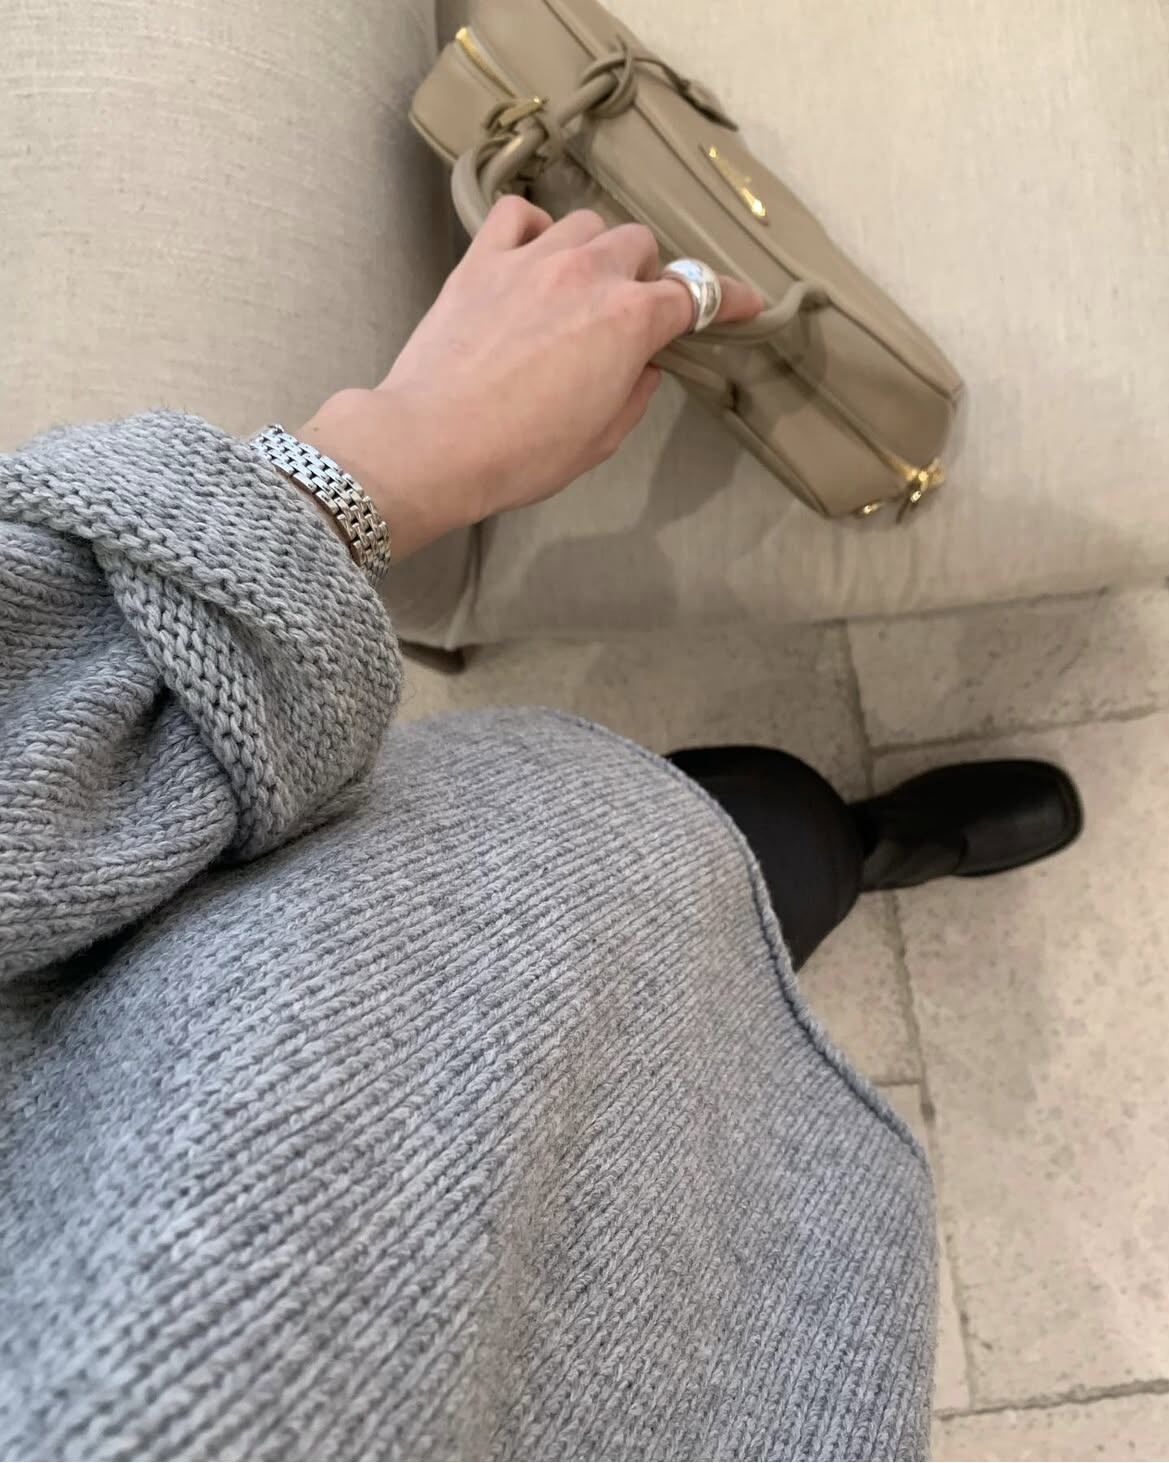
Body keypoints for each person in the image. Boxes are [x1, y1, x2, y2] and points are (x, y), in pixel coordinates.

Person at [0, 200, 1080, 1461]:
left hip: (402, 948)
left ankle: (861, 846)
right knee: (738, 967)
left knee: (765, 839)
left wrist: (372, 468)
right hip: (682, 1372)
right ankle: (846, 865)